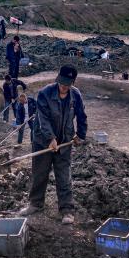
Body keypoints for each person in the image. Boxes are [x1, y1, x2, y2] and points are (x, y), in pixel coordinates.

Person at [19, 65, 87, 225]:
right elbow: (43, 119)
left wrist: (80, 135)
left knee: (64, 176)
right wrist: (50, 139)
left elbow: (82, 116)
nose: (63, 87)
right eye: (61, 83)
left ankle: (67, 209)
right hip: (43, 141)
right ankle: (36, 203)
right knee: (40, 173)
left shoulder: (75, 95)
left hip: (64, 141)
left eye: (67, 84)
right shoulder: (45, 93)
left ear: (72, 83)